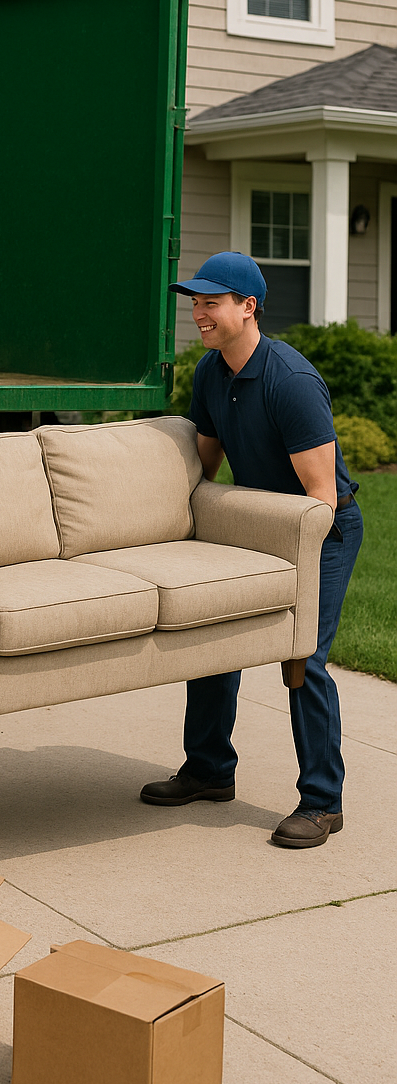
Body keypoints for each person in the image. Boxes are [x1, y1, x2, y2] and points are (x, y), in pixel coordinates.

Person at [140, 252, 362, 849]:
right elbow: (206, 464)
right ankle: (210, 769)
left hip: (322, 530)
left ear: (248, 306)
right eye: (195, 302)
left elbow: (321, 498)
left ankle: (323, 802)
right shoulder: (212, 372)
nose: (199, 314)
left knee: (304, 657)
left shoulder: (291, 382)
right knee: (218, 634)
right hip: (254, 522)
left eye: (211, 303)